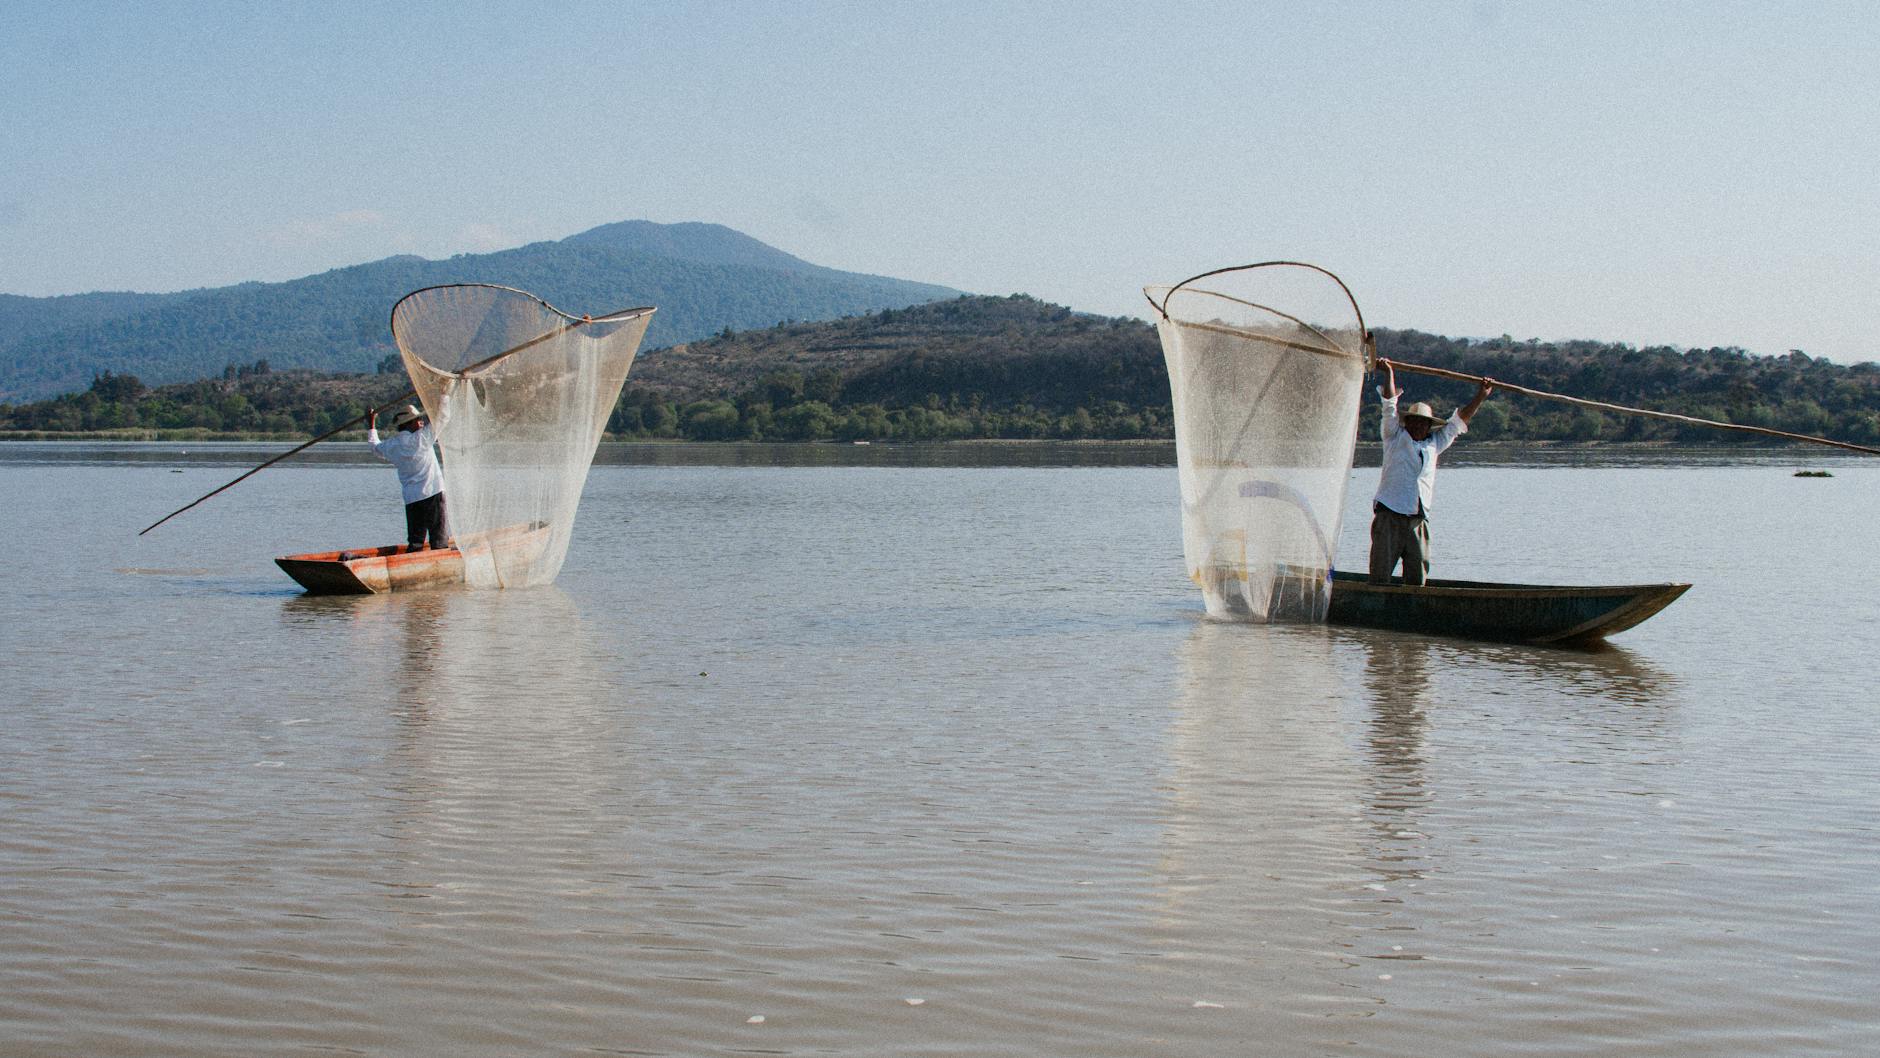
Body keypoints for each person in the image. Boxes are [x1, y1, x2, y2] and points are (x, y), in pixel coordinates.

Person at [1369, 359, 1493, 586]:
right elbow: (1389, 405)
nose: (1418, 426)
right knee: (1380, 576)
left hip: (1418, 519)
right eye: (1414, 422)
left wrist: (1481, 395)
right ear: (1407, 423)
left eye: (1423, 423)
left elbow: (1459, 422)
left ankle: (1413, 605)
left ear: (1429, 426)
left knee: (1417, 576)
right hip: (1390, 515)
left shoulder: (1434, 443)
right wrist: (1388, 373)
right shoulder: (1394, 437)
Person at [366, 399, 452, 551]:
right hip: (432, 493)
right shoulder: (421, 438)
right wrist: (444, 397)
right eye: (418, 420)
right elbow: (443, 418)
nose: (421, 422)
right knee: (439, 539)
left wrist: (371, 423)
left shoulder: (392, 445)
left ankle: (414, 555)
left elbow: (374, 447)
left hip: (412, 498)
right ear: (409, 424)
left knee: (416, 541)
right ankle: (438, 558)